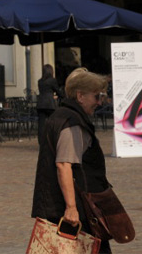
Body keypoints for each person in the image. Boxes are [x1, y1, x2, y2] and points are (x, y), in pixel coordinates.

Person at [31, 67, 113, 253]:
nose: (99, 102)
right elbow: (63, 165)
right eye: (96, 96)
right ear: (80, 96)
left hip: (66, 206)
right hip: (73, 211)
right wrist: (71, 207)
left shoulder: (64, 115)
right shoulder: (71, 122)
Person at [36, 64, 63, 145]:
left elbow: (44, 91)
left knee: (41, 125)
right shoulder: (52, 80)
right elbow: (57, 91)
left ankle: (41, 142)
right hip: (50, 104)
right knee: (54, 122)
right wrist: (61, 95)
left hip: (41, 104)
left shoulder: (40, 81)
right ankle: (54, 140)